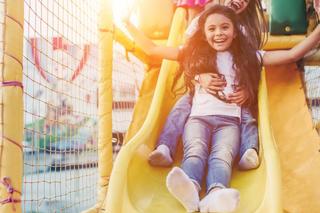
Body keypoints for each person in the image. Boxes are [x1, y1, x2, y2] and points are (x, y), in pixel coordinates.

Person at [123, 4, 320, 212]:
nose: (218, 33)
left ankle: (216, 193)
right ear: (204, 34)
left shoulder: (249, 57)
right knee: (195, 151)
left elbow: (291, 55)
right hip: (198, 118)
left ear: (235, 32)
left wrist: (317, 32)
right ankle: (189, 189)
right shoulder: (194, 55)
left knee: (222, 155)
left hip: (230, 122)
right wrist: (127, 23)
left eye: (225, 27)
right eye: (212, 29)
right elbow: (153, 50)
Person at [149, 0, 266, 170]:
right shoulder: (203, 20)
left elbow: (250, 65)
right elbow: (190, 56)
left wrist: (248, 90)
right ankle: (165, 147)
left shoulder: (244, 30)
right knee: (181, 107)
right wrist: (198, 78)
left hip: (231, 94)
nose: (239, 1)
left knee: (246, 111)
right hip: (200, 88)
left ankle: (248, 150)